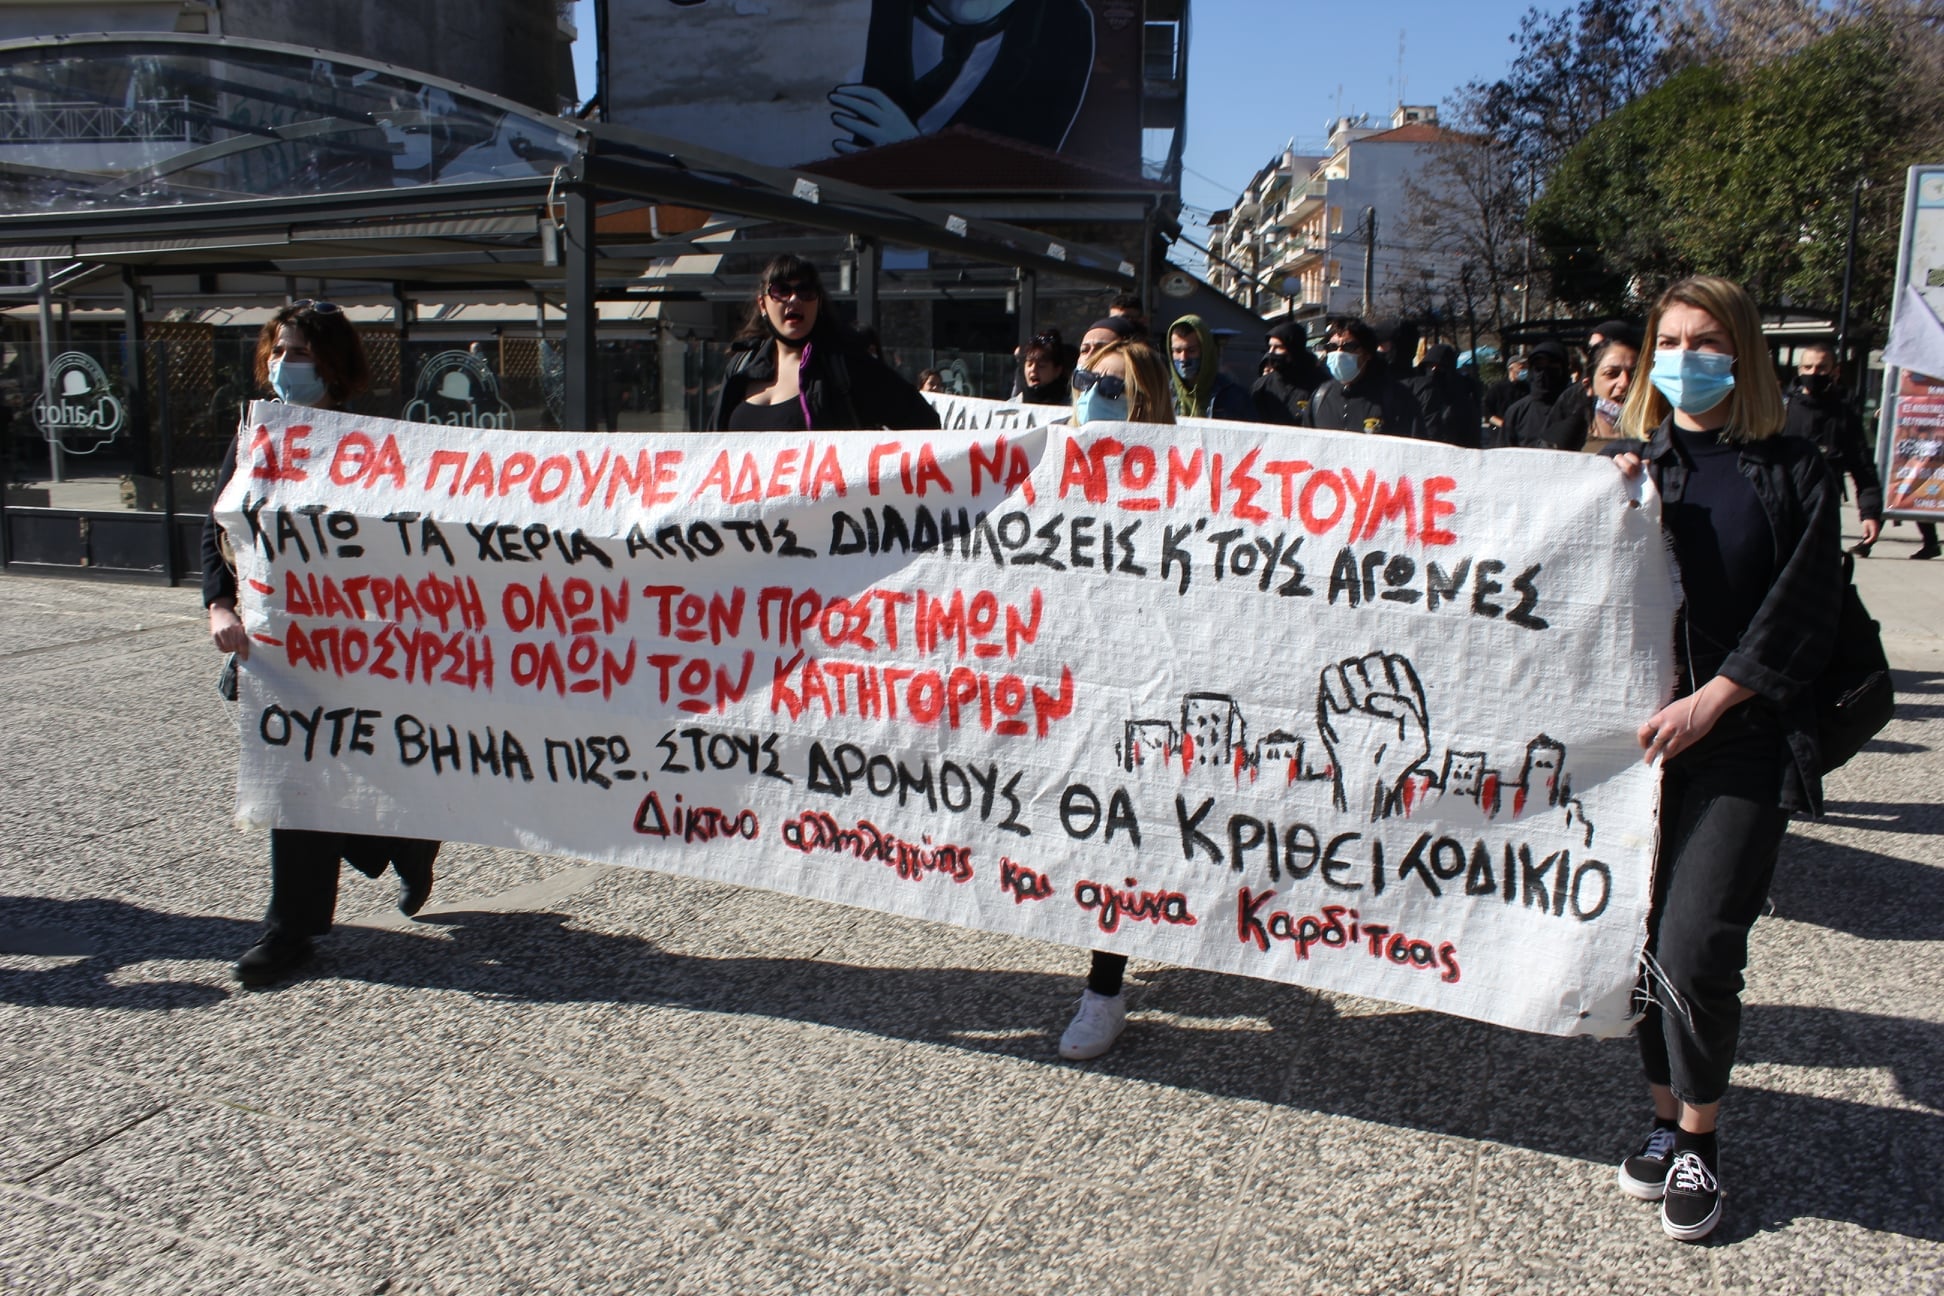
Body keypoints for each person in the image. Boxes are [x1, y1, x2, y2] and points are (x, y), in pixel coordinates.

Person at [1605, 276, 1840, 1243]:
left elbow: (1805, 608)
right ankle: (1663, 1117)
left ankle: (1702, 1139)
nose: (1684, 357)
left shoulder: (1795, 469)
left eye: (1705, 341)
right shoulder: (1626, 468)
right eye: (1669, 340)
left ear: (1742, 354)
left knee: (1697, 946)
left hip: (1740, 745)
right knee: (1635, 944)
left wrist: (1715, 700)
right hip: (1633, 756)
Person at [203, 301, 441, 988]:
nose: (286, 365)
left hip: (354, 643)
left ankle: (403, 839)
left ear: (333, 364)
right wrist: (219, 604)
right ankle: (293, 928)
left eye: (300, 353)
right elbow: (216, 524)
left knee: (359, 762)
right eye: (278, 351)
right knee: (297, 774)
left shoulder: (369, 443)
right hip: (274, 643)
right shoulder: (254, 434)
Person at [1058, 334, 1174, 1060]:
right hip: (1068, 681)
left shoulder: (1186, 479)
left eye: (1111, 388)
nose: (1091, 398)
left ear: (1145, 403)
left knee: (1124, 834)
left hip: (1144, 686)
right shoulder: (1048, 463)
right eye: (1085, 382)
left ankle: (1104, 991)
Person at [706, 255, 939, 433]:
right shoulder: (741, 367)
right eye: (781, 290)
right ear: (762, 304)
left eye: (805, 291)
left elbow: (924, 423)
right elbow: (711, 446)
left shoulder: (847, 365)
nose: (794, 299)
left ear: (818, 302)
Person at [1783, 344, 1882, 556]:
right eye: (1807, 367)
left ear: (1835, 372)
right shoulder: (1782, 409)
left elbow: (1863, 467)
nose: (1813, 373)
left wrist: (1870, 512)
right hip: (1782, 507)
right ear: (1799, 370)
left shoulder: (1844, 415)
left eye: (1821, 368)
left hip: (1824, 510)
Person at [1303, 316, 1422, 438]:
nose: (1339, 353)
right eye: (1332, 347)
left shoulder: (1396, 397)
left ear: (1367, 354)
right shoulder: (1320, 397)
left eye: (1349, 347)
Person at [1166, 315, 1253, 421]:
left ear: (1205, 352)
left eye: (1191, 351)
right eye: (1177, 351)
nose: (1183, 358)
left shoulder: (1234, 397)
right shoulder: (1163, 396)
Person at [1501, 339, 1582, 449]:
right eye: (1538, 367)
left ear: (1564, 370)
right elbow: (1504, 453)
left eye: (1552, 367)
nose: (1544, 373)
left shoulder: (1577, 410)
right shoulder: (1516, 412)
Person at [1251, 321, 1327, 425]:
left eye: (1278, 347)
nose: (1271, 352)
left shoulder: (1322, 386)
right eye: (1270, 347)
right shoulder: (1262, 385)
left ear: (1294, 349)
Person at [1410, 342, 1482, 448]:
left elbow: (1471, 429)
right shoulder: (1418, 388)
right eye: (1430, 365)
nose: (1433, 370)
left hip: (1453, 448)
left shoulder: (1463, 394)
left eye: (1439, 366)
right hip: (1420, 447)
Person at [1583, 335, 1640, 444]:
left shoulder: (1661, 444)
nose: (1624, 383)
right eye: (1611, 373)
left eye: (1635, 374)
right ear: (1589, 386)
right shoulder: (1567, 445)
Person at [1015, 330, 1073, 406]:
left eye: (1041, 365)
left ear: (1057, 371)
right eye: (1029, 364)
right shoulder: (1013, 404)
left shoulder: (1071, 407)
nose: (1033, 369)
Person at [1483, 355, 1529, 438]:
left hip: (1522, 433)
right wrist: (1504, 425)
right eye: (1521, 368)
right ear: (1511, 369)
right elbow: (1487, 412)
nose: (1524, 371)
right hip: (1499, 433)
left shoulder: (1528, 389)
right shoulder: (1497, 388)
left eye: (1526, 368)